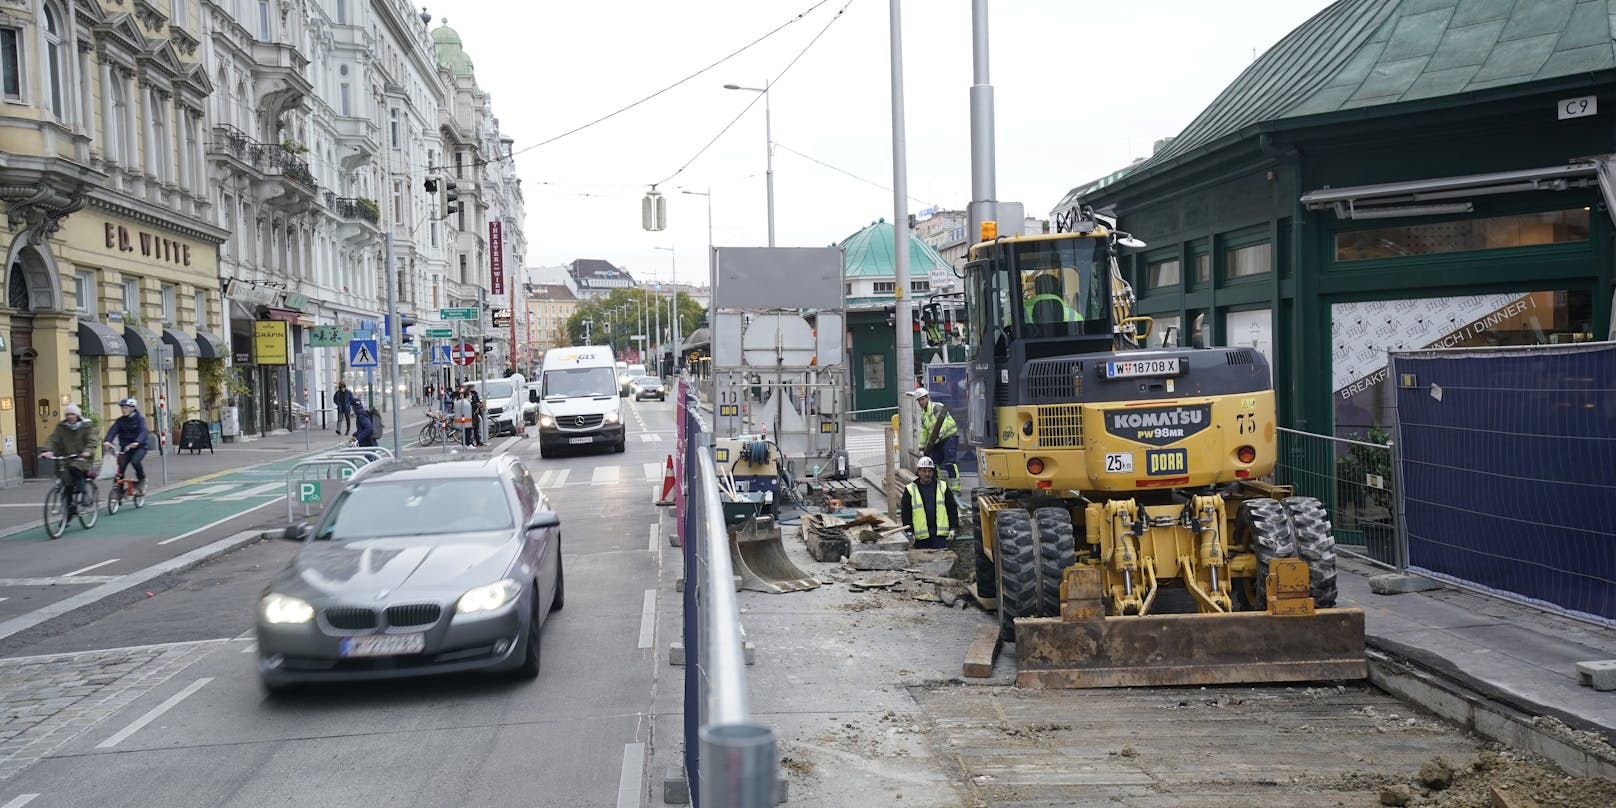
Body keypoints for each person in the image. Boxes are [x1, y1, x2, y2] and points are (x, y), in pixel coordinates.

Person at [900, 457, 960, 550]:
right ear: (918, 471)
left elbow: (951, 509)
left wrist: (953, 527)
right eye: (924, 471)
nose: (927, 474)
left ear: (933, 472)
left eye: (929, 471)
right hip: (921, 538)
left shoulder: (943, 487)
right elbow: (906, 512)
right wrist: (909, 531)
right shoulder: (910, 489)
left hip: (939, 535)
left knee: (941, 561)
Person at [42, 404, 96, 504]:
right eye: (67, 414)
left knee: (75, 468)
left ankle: (84, 494)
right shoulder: (61, 427)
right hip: (66, 458)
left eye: (72, 414)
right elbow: (53, 439)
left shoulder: (86, 426)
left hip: (82, 458)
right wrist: (47, 450)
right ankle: (68, 510)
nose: (69, 417)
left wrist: (87, 451)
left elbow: (92, 440)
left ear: (77, 415)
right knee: (66, 481)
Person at [911, 386, 959, 486]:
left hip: (949, 437)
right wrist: (921, 447)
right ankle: (937, 485)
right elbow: (924, 432)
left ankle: (955, 488)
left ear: (927, 397)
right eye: (919, 400)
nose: (921, 402)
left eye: (922, 399)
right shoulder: (924, 415)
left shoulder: (936, 407)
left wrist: (938, 436)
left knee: (949, 463)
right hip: (937, 440)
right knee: (934, 464)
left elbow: (943, 423)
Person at [102, 398, 149, 490]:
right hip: (126, 448)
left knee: (135, 461)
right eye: (122, 408)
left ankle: (142, 479)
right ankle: (118, 490)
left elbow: (143, 432)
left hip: (140, 447)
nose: (124, 410)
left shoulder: (140, 419)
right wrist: (107, 441)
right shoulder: (120, 421)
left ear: (132, 408)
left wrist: (137, 442)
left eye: (126, 408)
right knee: (120, 467)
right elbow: (113, 431)